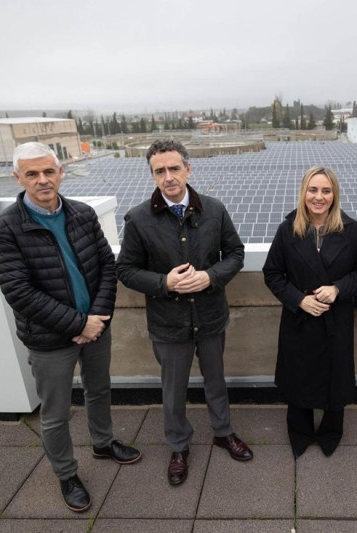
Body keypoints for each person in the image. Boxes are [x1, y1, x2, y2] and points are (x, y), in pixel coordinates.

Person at [0, 142, 140, 513]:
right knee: (55, 413)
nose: (43, 180)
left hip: (96, 328)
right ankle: (66, 473)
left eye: (49, 171)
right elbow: (18, 292)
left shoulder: (82, 213)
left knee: (99, 389)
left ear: (60, 172)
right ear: (17, 178)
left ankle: (103, 443)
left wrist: (97, 318)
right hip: (49, 338)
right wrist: (77, 324)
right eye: (32, 174)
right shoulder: (5, 228)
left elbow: (107, 266)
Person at [116, 139, 252, 487]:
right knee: (172, 390)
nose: (168, 176)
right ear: (152, 175)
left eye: (174, 168)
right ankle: (179, 446)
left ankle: (223, 433)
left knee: (216, 381)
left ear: (188, 169)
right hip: (168, 322)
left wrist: (210, 276)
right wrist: (166, 283)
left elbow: (235, 254)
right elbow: (126, 270)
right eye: (159, 171)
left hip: (209, 317)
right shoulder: (138, 219)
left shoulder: (215, 210)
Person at [263, 166, 357, 457]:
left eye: (326, 190)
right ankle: (299, 431)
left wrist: (337, 288)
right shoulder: (287, 230)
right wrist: (299, 300)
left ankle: (331, 430)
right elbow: (272, 273)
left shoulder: (351, 230)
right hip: (299, 319)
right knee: (298, 376)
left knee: (335, 378)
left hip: (335, 321)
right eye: (313, 190)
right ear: (304, 193)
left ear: (334, 194)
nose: (319, 196)